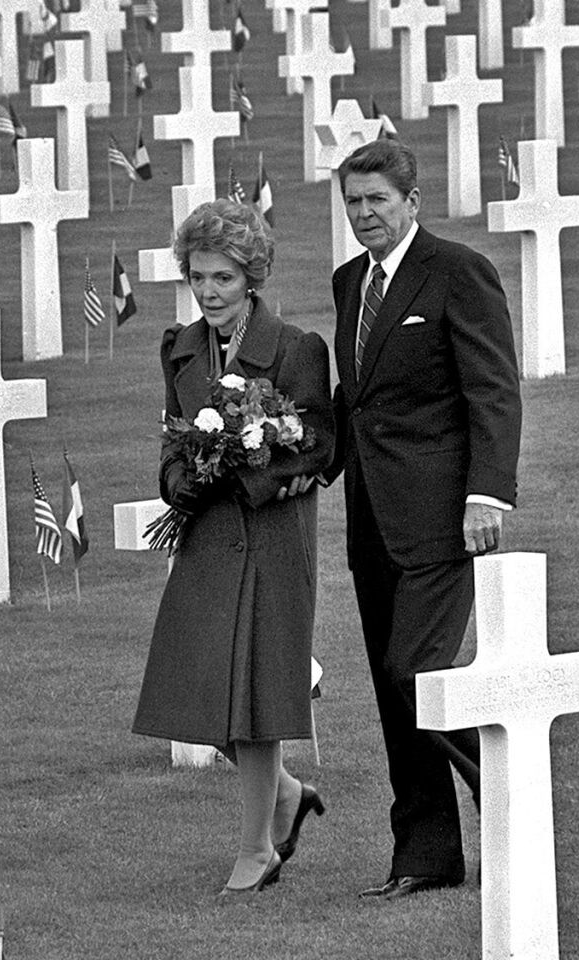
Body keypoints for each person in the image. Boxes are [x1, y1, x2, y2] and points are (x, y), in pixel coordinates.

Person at [300, 138, 523, 898]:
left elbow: (493, 389)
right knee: (396, 697)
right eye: (354, 203)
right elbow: (356, 402)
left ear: (411, 203)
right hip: (370, 518)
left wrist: (486, 493)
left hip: (441, 515)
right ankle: (424, 855)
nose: (365, 215)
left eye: (378, 202)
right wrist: (293, 459)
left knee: (415, 673)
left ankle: (515, 782)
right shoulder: (347, 283)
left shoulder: (458, 272)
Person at [132, 199, 336, 896]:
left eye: (223, 277)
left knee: (254, 689)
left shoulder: (296, 347)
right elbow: (170, 437)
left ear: (252, 276)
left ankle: (256, 849)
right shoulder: (180, 347)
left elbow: (318, 442)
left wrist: (255, 468)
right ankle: (282, 793)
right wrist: (178, 479)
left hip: (273, 536)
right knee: (191, 680)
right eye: (198, 278)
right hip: (207, 535)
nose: (210, 292)